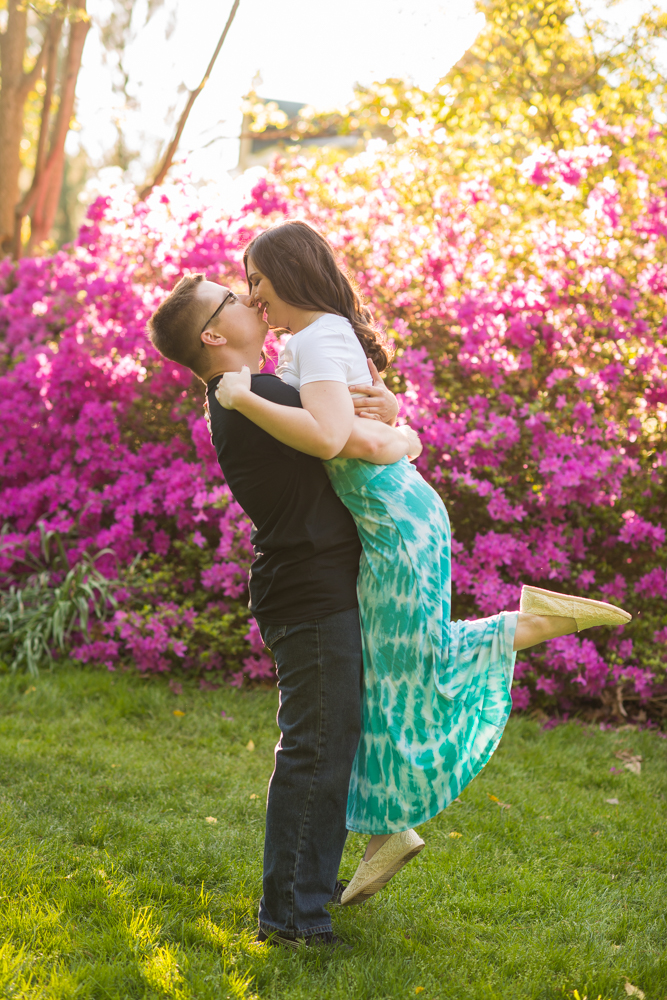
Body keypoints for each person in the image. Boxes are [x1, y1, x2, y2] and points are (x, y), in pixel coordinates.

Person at [215, 220, 633, 907]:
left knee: (416, 660)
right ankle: (390, 827)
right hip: (394, 515)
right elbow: (360, 422)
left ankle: (528, 621)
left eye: (257, 279)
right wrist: (395, 422)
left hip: (391, 522)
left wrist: (244, 397)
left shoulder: (318, 336)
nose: (252, 295)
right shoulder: (317, 338)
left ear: (289, 274)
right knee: (385, 676)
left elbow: (325, 437)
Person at [147, 276, 418, 950]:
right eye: (231, 299)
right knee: (317, 748)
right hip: (308, 588)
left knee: (330, 741)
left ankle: (308, 892)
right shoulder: (255, 396)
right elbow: (353, 441)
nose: (249, 300)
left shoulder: (258, 394)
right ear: (213, 334)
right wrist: (397, 430)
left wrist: (383, 405)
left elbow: (352, 418)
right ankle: (292, 919)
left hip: (314, 581)